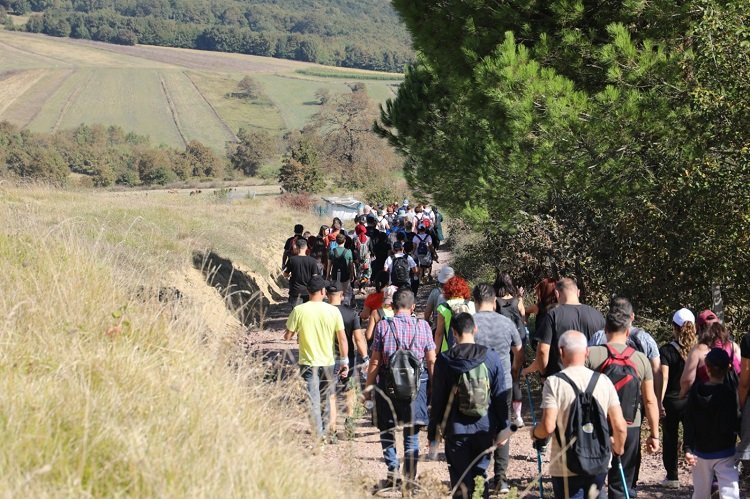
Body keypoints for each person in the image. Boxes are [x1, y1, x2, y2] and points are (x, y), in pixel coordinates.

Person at [533, 330, 627, 499]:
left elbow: (547, 427)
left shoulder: (554, 383)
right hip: (599, 460)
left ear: (560, 351)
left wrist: (534, 433)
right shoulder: (603, 381)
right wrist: (617, 450)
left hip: (565, 466)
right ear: (587, 352)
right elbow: (620, 427)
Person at [585, 297, 660, 499]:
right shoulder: (641, 359)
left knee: (593, 480)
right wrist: (654, 434)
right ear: (628, 331)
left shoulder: (590, 355)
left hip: (595, 425)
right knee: (622, 481)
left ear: (605, 329)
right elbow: (650, 400)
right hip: (630, 425)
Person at [428, 313, 509, 499]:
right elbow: (499, 397)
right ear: (475, 329)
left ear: (454, 333)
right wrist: (503, 427)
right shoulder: (491, 357)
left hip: (455, 430)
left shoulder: (445, 360)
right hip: (484, 428)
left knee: (459, 481)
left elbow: (438, 399)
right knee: (480, 478)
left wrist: (433, 432)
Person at [364, 289, 436, 489]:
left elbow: (375, 361)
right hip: (416, 387)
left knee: (386, 429)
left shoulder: (383, 326)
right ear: (413, 307)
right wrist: (434, 386)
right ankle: (410, 479)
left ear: (392, 307)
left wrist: (368, 388)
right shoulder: (423, 326)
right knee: (411, 433)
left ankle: (393, 472)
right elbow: (431, 360)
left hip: (387, 386)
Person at [471, 284, 522, 494]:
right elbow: (518, 350)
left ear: (474, 302)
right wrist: (515, 369)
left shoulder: (470, 323)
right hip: (504, 383)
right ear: (494, 301)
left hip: (476, 383)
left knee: (478, 426)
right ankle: (501, 479)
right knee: (503, 427)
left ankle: (479, 477)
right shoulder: (506, 322)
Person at [284, 276, 348, 441]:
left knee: (313, 399)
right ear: (323, 292)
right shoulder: (333, 311)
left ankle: (318, 436)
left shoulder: (299, 310)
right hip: (328, 362)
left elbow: (288, 336)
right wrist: (344, 360)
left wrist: (296, 332)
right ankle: (326, 432)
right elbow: (342, 339)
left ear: (308, 291)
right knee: (326, 397)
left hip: (308, 362)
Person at [685, 347, 741, 499]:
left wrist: (688, 447)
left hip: (700, 451)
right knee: (730, 491)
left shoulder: (695, 392)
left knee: (701, 492)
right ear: (728, 368)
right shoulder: (730, 393)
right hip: (725, 451)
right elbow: (736, 420)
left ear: (707, 369)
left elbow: (689, 421)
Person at [523, 278, 604, 378]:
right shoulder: (597, 315)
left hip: (560, 379)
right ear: (578, 292)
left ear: (557, 293)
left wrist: (544, 374)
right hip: (590, 380)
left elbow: (543, 351)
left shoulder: (552, 315)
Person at [658, 308, 697, 489]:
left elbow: (663, 377)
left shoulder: (666, 350)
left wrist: (658, 401)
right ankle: (699, 474)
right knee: (692, 436)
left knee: (670, 438)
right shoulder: (698, 350)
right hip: (691, 400)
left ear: (674, 327)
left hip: (671, 401)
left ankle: (672, 476)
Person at [326, 282, 369, 437]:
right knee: (349, 390)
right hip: (347, 358)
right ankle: (349, 422)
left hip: (327, 358)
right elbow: (358, 339)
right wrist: (365, 358)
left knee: (331, 394)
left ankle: (331, 429)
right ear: (342, 295)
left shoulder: (323, 313)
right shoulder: (351, 314)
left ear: (326, 294)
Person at [494, 272, 527, 428]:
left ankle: (503, 412)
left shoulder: (495, 301)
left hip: (501, 341)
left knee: (502, 375)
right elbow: (524, 318)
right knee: (516, 377)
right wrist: (520, 298)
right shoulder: (516, 301)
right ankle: (518, 416)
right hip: (518, 340)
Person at [680, 321, 741, 399]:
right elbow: (741, 374)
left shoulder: (698, 349)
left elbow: (687, 380)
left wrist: (682, 394)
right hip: (730, 398)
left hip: (704, 398)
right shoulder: (733, 346)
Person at [434, 276, 476, 353]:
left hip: (448, 351)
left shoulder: (443, 307)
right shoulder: (472, 305)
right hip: (470, 351)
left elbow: (439, 333)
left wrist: (435, 354)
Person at [283, 238, 320, 306]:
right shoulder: (312, 261)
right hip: (309, 291)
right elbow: (315, 276)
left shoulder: (292, 260)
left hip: (295, 291)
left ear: (296, 247)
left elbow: (285, 274)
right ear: (306, 247)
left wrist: (288, 275)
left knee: (297, 314)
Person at [328, 232, 355, 304]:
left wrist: (327, 275)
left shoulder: (332, 251)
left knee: (335, 291)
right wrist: (352, 275)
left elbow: (329, 265)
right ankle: (345, 306)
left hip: (334, 274)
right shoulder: (348, 251)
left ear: (336, 241)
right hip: (345, 274)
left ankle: (336, 305)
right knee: (346, 292)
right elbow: (351, 265)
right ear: (345, 240)